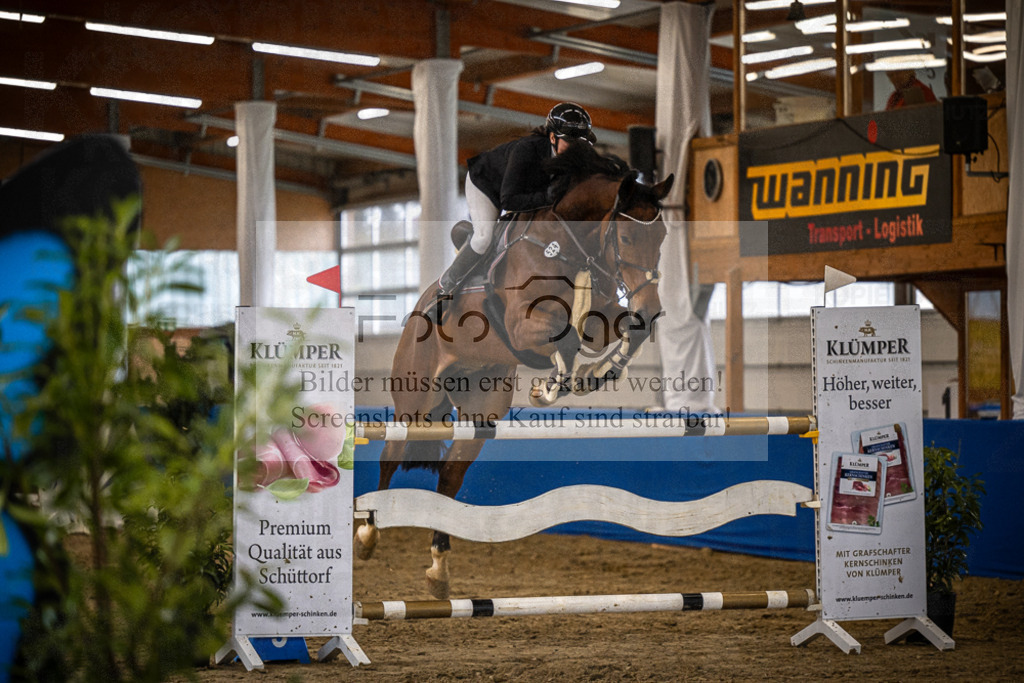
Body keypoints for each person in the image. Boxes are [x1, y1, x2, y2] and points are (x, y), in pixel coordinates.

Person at [436, 102, 595, 295]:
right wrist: (548, 197)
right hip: (486, 183)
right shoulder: (526, 151)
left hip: (524, 191)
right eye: (570, 142)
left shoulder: (574, 161)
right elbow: (509, 201)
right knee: (484, 238)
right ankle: (447, 284)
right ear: (552, 137)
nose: (576, 150)